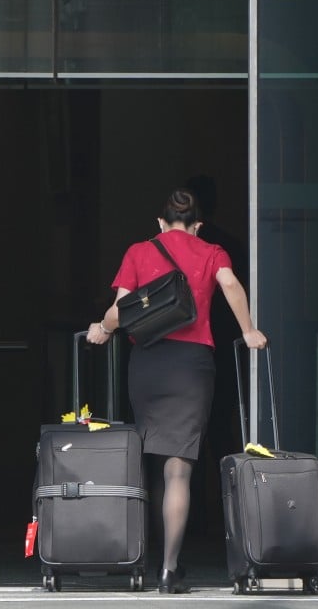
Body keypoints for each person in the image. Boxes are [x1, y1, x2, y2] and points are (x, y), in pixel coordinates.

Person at [86, 187, 266, 594]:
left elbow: (120, 310)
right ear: (198, 225)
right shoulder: (212, 252)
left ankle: (144, 560)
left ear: (161, 222)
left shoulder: (139, 252)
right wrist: (248, 330)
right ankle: (169, 569)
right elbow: (231, 285)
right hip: (191, 367)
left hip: (148, 364)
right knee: (178, 469)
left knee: (150, 464)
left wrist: (102, 328)